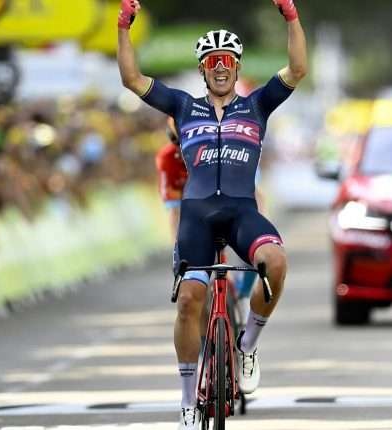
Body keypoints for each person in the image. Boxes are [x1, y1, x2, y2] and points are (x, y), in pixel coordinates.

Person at [118, 0, 307, 428]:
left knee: (275, 262)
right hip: (197, 215)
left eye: (227, 60)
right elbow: (131, 78)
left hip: (242, 211)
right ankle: (187, 399)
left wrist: (291, 15)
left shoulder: (257, 105)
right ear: (203, 69)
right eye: (212, 61)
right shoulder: (183, 107)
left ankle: (249, 346)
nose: (220, 67)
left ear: (237, 68)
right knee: (189, 299)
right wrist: (123, 27)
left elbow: (296, 69)